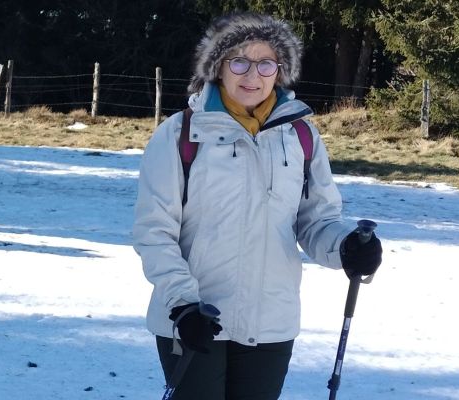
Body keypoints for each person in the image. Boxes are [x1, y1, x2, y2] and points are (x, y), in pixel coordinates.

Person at [132, 12, 385, 399]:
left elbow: (316, 220)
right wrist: (182, 304)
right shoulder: (181, 133)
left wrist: (346, 246)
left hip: (271, 322)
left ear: (279, 71)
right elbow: (154, 231)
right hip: (196, 319)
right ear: (219, 67)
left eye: (265, 63)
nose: (252, 75)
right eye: (240, 62)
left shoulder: (300, 134)